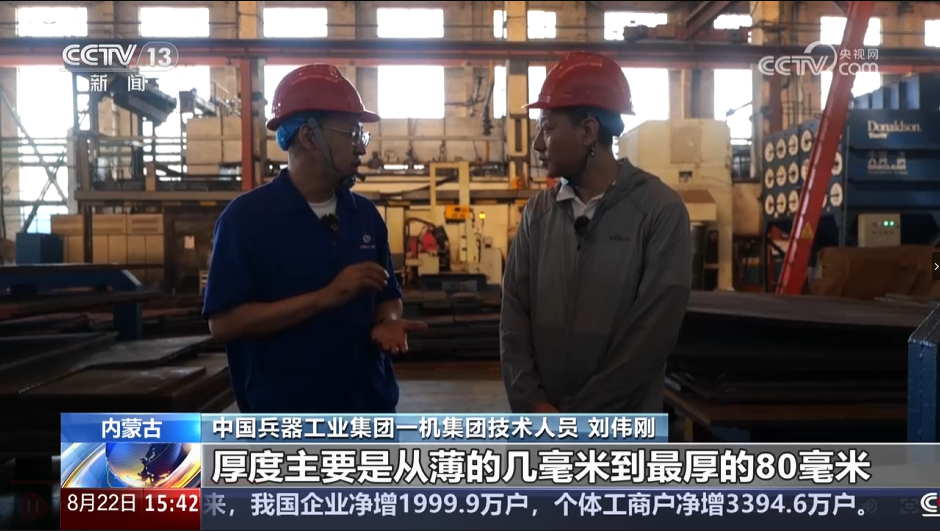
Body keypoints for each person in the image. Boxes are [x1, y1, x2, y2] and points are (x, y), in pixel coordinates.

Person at [202, 64, 428, 414]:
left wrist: (387, 322)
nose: (361, 148)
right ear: (309, 137)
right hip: (285, 420)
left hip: (368, 411)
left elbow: (387, 296)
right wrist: (325, 297)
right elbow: (223, 324)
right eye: (351, 133)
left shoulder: (364, 215)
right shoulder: (246, 220)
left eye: (361, 135)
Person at [500, 52, 691, 414]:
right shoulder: (537, 215)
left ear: (588, 131)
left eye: (547, 128)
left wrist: (579, 419)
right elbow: (513, 319)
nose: (537, 143)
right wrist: (533, 404)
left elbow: (651, 336)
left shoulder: (659, 212)